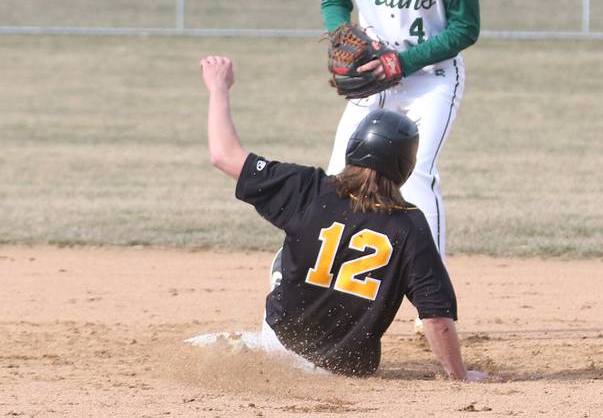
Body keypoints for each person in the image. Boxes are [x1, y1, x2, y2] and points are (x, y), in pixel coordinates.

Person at [198, 55, 486, 381]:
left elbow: (223, 155)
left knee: (286, 259)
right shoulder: (411, 226)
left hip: (280, 346)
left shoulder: (309, 188)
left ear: (354, 146)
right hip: (345, 372)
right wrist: (460, 375)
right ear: (405, 165)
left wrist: (218, 87)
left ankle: (262, 351)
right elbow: (436, 320)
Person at [321, 0, 481, 259]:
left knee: (414, 179)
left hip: (432, 79)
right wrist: (341, 33)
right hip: (373, 78)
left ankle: (433, 296)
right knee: (341, 174)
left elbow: (466, 28)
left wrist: (404, 60)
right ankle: (326, 282)